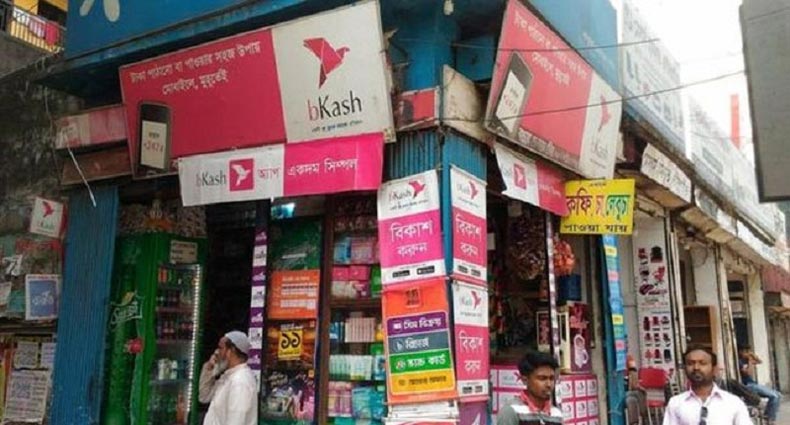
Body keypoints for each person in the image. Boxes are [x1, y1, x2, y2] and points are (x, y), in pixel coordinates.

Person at [663, 346, 751, 425]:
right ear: (684, 368)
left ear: (714, 368)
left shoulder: (733, 403)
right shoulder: (675, 403)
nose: (696, 367)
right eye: (690, 363)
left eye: (702, 363)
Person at [199, 330, 258, 425]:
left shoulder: (240, 382)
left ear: (230, 351)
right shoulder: (228, 376)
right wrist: (209, 369)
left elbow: (236, 421)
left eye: (220, 348)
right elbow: (204, 396)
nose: (216, 352)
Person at [497, 350, 563, 425]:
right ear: (525, 380)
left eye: (551, 378)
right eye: (542, 378)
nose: (549, 384)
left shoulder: (556, 414)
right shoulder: (512, 411)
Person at [739, 344, 781, 425]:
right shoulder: (740, 362)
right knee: (774, 396)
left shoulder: (746, 360)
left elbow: (759, 361)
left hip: (753, 384)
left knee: (778, 395)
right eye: (745, 351)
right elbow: (748, 373)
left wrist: (752, 355)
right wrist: (750, 361)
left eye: (747, 351)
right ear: (740, 352)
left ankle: (768, 417)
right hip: (747, 385)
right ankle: (770, 420)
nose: (746, 353)